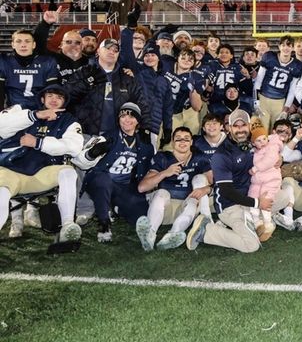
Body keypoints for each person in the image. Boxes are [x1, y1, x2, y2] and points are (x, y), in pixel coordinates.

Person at [186, 109, 284, 253]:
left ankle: (252, 220)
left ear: (249, 127)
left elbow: (272, 148)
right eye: (236, 126)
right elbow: (226, 191)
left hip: (250, 197)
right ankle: (207, 230)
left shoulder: (253, 144)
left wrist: (279, 158)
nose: (240, 130)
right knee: (251, 245)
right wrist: (257, 203)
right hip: (230, 205)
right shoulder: (222, 154)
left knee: (285, 196)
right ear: (229, 128)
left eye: (243, 125)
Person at [0, 84, 84, 244]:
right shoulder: (24, 109)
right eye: (51, 95)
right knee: (1, 193)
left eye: (59, 97)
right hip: (11, 170)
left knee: (69, 172)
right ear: (42, 98)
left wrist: (39, 143)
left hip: (42, 172)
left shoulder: (69, 121)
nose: (54, 100)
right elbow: (1, 126)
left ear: (64, 103)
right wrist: (35, 115)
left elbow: (74, 146)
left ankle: (67, 225)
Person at [82, 103, 155, 242]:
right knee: (103, 181)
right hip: (101, 182)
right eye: (123, 116)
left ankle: (116, 208)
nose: (127, 120)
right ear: (118, 119)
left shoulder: (145, 144)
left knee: (141, 215)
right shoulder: (107, 137)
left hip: (124, 186)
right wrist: (92, 153)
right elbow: (81, 161)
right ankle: (104, 224)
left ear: (138, 121)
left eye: (131, 116)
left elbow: (145, 171)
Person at [135, 127, 212, 251]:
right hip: (165, 208)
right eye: (178, 139)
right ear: (172, 142)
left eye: (186, 139)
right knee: (161, 193)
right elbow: (142, 187)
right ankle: (150, 235)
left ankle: (172, 235)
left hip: (185, 207)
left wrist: (206, 190)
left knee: (193, 200)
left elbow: (214, 182)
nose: (182, 142)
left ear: (191, 142)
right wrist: (165, 173)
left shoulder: (199, 158)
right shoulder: (163, 157)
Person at [0, 29, 59, 110]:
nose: (23, 45)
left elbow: (52, 92)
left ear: (34, 45)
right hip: (14, 111)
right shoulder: (4, 61)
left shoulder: (47, 62)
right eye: (18, 41)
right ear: (13, 45)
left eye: (27, 41)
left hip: (39, 111)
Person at [246, 123, 284, 241]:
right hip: (257, 181)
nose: (262, 142)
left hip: (270, 180)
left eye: (264, 138)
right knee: (252, 198)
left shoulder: (271, 147)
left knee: (265, 200)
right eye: (258, 140)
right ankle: (257, 222)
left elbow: (269, 160)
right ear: (253, 143)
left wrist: (255, 169)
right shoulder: (255, 151)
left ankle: (268, 224)